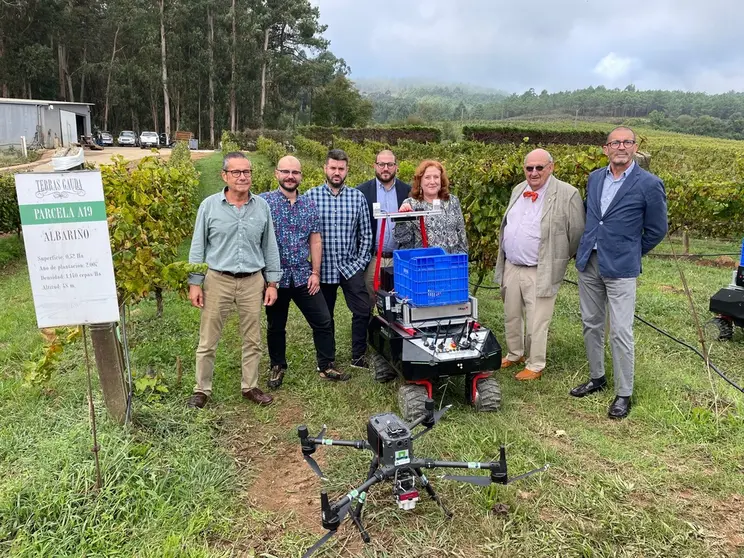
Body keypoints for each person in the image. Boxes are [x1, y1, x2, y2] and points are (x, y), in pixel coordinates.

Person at [571, 127, 668, 419]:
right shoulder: (595, 178)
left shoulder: (649, 184)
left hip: (621, 268)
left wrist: (631, 251)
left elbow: (656, 229)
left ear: (635, 147)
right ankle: (597, 377)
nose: (621, 147)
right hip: (590, 262)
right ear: (606, 149)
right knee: (591, 323)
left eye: (627, 142)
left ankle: (623, 392)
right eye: (616, 142)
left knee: (622, 331)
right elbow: (592, 216)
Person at [186, 152, 282, 408]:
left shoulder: (262, 207)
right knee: (208, 340)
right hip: (218, 280)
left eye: (247, 172)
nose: (243, 177)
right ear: (224, 176)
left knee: (252, 338)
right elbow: (198, 247)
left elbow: (269, 247)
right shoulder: (209, 206)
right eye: (237, 172)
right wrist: (195, 282)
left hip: (253, 281)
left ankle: (250, 386)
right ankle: (201, 389)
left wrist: (272, 283)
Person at [494, 149, 585, 381]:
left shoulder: (568, 194)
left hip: (540, 268)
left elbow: (575, 233)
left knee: (537, 320)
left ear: (551, 167)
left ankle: (535, 365)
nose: (534, 172)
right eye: (529, 168)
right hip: (512, 265)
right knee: (511, 314)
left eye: (539, 168)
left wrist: (559, 257)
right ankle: (515, 353)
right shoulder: (518, 189)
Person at [260, 155, 350, 387]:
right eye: (286, 172)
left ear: (301, 176)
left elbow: (315, 240)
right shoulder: (264, 203)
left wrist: (315, 273)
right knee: (276, 325)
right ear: (277, 174)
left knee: (322, 320)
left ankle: (326, 364)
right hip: (275, 279)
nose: (290, 176)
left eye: (295, 172)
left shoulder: (309, 204)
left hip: (302, 275)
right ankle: (277, 365)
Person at [306, 149, 373, 368]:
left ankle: (358, 356)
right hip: (322, 269)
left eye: (341, 169)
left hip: (349, 267)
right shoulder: (310, 197)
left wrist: (360, 263)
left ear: (347, 171)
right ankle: (326, 360)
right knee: (324, 317)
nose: (337, 172)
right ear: (325, 169)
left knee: (363, 310)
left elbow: (366, 235)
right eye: (333, 168)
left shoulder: (357, 197)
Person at [357, 150, 411, 310]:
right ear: (375, 166)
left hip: (399, 257)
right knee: (368, 302)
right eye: (381, 164)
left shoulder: (407, 191)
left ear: (396, 167)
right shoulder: (362, 191)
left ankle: (393, 333)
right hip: (373, 258)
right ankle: (368, 334)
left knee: (399, 301)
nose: (385, 168)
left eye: (389, 164)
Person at [394, 160, 467, 254]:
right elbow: (402, 239)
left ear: (441, 180)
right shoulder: (411, 203)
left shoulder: (452, 201)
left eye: (436, 177)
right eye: (427, 177)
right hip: (424, 264)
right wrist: (401, 219)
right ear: (420, 181)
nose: (432, 182)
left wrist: (462, 260)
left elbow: (462, 236)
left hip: (451, 264)